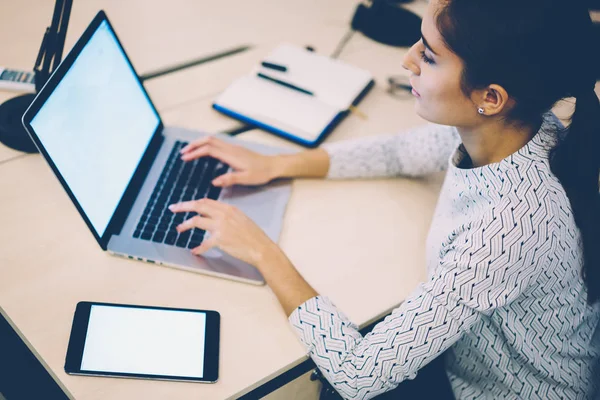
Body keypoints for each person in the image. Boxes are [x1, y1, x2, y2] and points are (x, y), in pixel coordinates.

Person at [168, 0, 600, 398]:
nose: (407, 59)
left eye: (428, 56)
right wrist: (277, 164)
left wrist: (262, 250)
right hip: (469, 361)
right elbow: (396, 152)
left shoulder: (508, 228)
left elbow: (358, 375)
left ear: (491, 97)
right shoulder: (519, 129)